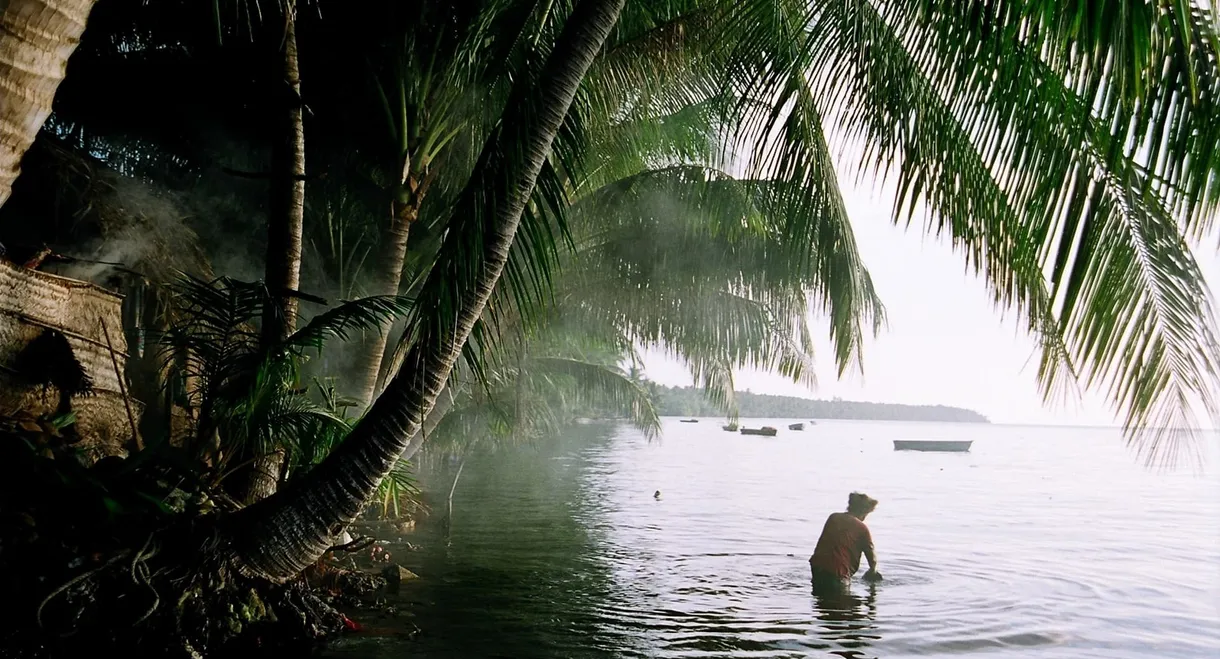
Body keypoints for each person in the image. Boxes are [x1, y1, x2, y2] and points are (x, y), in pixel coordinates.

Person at [809, 492, 881, 593]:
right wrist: (872, 570)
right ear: (863, 511)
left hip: (818, 567)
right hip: (838, 572)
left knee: (820, 598)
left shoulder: (833, 517)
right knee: (842, 602)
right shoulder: (862, 528)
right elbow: (871, 555)